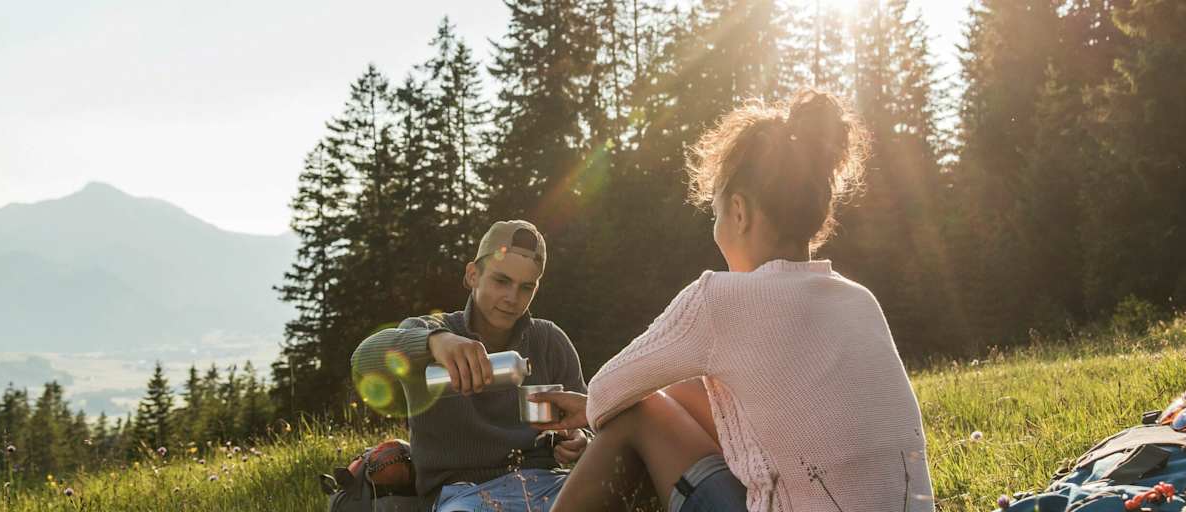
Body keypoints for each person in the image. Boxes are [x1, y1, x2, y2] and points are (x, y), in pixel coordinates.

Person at [530, 90, 935, 511]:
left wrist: (590, 408)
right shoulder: (860, 299)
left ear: (739, 212)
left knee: (639, 411)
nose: (717, 227)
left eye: (717, 213)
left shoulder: (719, 301)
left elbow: (607, 393)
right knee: (681, 393)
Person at [350, 220, 589, 511]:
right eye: (501, 281)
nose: (512, 298)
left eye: (526, 287)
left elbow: (590, 419)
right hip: (461, 495)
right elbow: (363, 360)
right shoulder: (429, 331)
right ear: (473, 274)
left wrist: (580, 439)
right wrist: (435, 342)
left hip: (550, 484)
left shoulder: (549, 341)